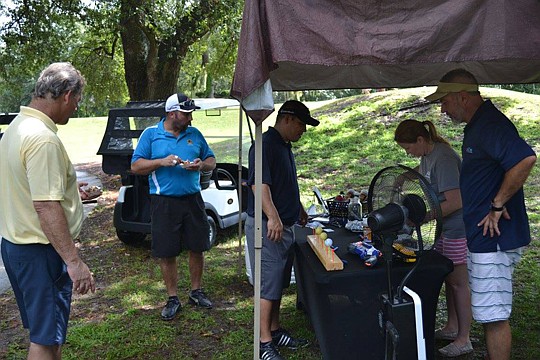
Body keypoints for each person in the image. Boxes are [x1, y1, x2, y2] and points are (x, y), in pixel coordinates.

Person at [425, 69, 537, 360]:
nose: (442, 108)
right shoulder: (478, 125)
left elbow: (525, 158)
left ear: (463, 97)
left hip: (494, 239)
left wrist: (498, 204)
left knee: (494, 316)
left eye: (445, 101)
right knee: (489, 312)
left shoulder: (490, 123)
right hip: (483, 238)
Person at [0, 62, 96, 360]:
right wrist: (73, 260)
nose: (76, 109)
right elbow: (45, 205)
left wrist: (69, 192)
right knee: (45, 341)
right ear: (66, 95)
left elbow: (26, 187)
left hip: (17, 247)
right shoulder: (43, 139)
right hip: (41, 253)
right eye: (77, 101)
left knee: (45, 334)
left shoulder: (17, 127)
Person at [131, 93, 216, 321]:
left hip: (193, 199)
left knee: (197, 246)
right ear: (171, 113)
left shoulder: (195, 134)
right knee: (167, 251)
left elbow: (211, 160)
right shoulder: (151, 135)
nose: (190, 118)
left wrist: (200, 165)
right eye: (186, 114)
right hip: (164, 201)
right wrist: (161, 161)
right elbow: (136, 166)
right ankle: (172, 298)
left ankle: (196, 292)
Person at [245, 100, 319, 360]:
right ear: (286, 119)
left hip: (284, 224)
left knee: (277, 281)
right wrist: (273, 217)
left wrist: (297, 207)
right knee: (267, 285)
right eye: (301, 124)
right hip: (268, 227)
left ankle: (274, 330)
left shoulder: (283, 146)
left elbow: (283, 183)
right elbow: (259, 186)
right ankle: (264, 342)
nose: (303, 130)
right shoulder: (264, 145)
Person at [394, 119, 472, 357]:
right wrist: (404, 177)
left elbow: (456, 201)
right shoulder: (429, 154)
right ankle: (452, 327)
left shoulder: (444, 157)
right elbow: (424, 172)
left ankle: (464, 338)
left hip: (457, 229)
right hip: (444, 229)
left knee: (459, 283)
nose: (408, 153)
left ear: (420, 140)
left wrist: (425, 217)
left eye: (408, 148)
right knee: (448, 277)